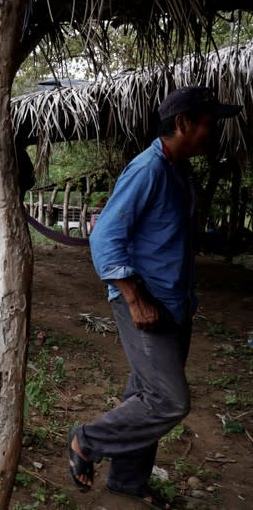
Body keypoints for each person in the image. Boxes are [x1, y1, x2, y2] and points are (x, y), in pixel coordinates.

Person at [66, 86, 242, 508]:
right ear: (182, 124)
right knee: (168, 400)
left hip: (174, 302)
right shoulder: (148, 169)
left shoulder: (177, 170)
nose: (212, 132)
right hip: (145, 302)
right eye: (207, 123)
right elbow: (106, 236)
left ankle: (127, 478)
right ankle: (87, 441)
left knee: (145, 393)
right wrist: (133, 298)